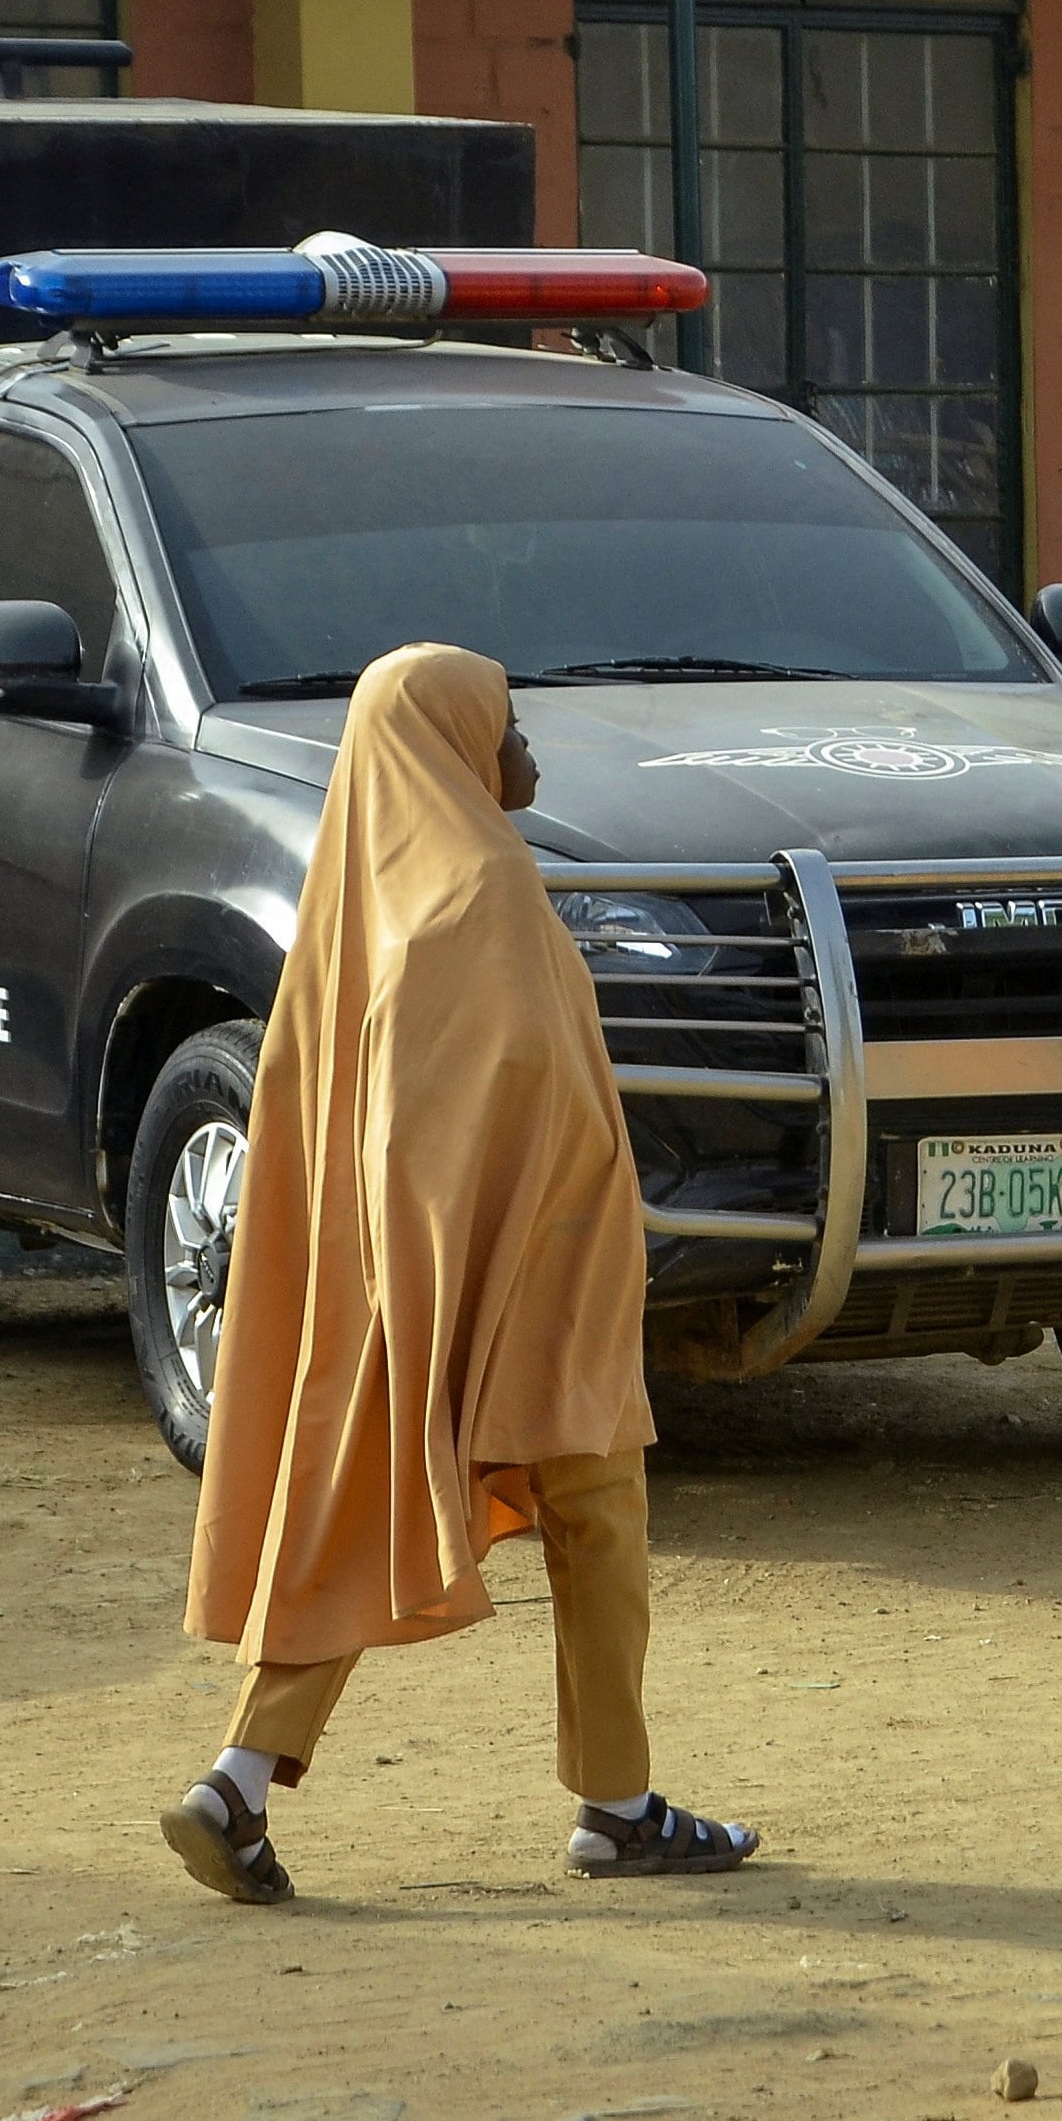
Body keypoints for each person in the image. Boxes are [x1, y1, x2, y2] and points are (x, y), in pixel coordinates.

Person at [160, 642, 757, 1903]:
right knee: (598, 1517)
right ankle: (617, 1806)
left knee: (361, 1512)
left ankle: (239, 1782)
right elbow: (533, 1098)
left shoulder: (358, 906)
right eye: (504, 721)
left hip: (404, 1275)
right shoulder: (484, 892)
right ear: (446, 742)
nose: (524, 750)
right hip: (530, 1268)